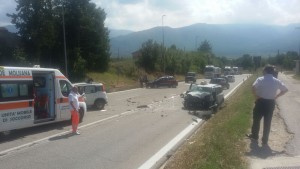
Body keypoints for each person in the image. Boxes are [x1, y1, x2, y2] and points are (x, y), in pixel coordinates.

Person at [246, 64, 288, 145]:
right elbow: (285, 90)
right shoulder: (276, 81)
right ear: (272, 72)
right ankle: (265, 140)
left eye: (263, 70)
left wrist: (256, 97)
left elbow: (253, 87)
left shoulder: (260, 79)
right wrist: (276, 96)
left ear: (265, 71)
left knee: (256, 120)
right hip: (271, 103)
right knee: (267, 122)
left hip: (260, 102)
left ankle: (254, 136)